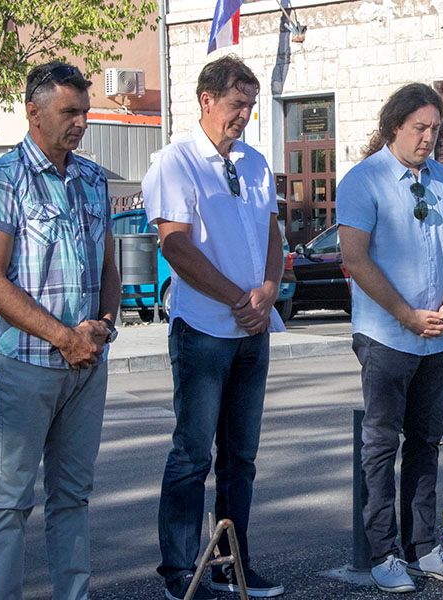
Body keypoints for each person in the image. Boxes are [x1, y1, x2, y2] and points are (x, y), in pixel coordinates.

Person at [0, 61, 121, 600]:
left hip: (85, 367)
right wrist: (64, 337)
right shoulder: (2, 179)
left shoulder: (92, 179)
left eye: (85, 112)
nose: (81, 123)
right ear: (33, 112)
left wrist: (104, 326)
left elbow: (108, 266)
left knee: (73, 497)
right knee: (10, 499)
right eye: (69, 112)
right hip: (24, 365)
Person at [141, 55, 285, 600]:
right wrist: (236, 298)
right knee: (192, 454)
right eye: (236, 104)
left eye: (251, 105)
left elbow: (272, 235)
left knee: (241, 458)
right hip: (203, 330)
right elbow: (176, 246)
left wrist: (267, 290)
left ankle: (233, 563)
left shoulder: (255, 162)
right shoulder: (175, 162)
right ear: (206, 100)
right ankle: (180, 571)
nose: (245, 114)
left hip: (252, 329)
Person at [336, 83, 443, 593]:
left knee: (426, 443)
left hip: (438, 337)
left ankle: (423, 545)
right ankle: (382, 552)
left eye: (435, 128)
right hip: (386, 335)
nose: (428, 137)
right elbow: (355, 259)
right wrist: (406, 315)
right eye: (419, 128)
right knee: (381, 444)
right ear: (395, 126)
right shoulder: (363, 180)